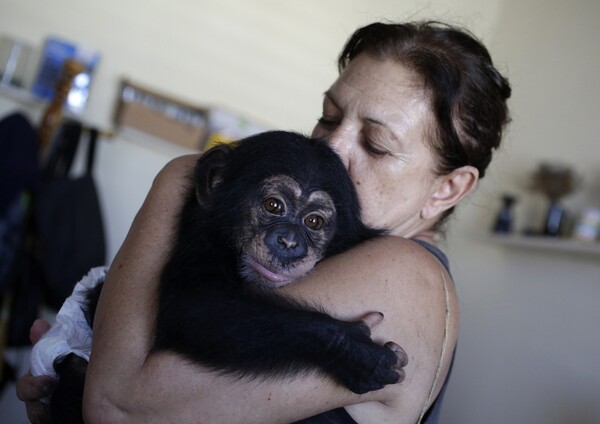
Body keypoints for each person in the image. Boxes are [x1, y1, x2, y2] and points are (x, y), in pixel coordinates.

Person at [17, 20, 511, 423]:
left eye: (376, 145)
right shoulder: (328, 246)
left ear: (447, 188)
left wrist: (181, 176)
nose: (331, 150)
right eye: (329, 116)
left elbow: (119, 407)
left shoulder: (404, 275)